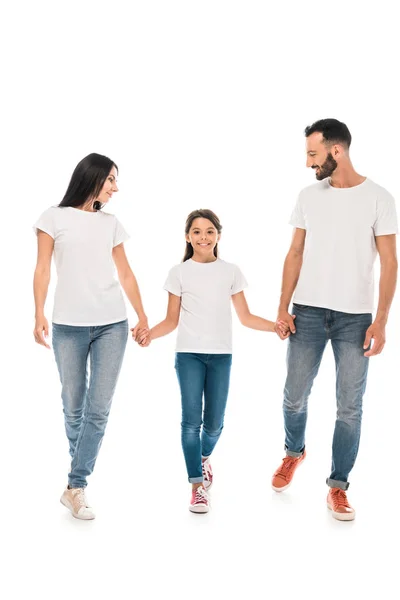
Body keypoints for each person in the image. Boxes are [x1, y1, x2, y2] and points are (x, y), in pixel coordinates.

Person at [273, 119, 398, 521]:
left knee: (350, 408)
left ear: (336, 151)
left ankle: (338, 487)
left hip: (354, 319)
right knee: (294, 395)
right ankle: (294, 451)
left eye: (313, 154)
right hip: (307, 313)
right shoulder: (309, 195)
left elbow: (390, 261)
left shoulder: (379, 197)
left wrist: (380, 320)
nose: (309, 162)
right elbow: (295, 253)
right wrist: (282, 307)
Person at [134, 209, 285, 513]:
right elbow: (171, 321)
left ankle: (202, 458)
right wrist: (149, 334)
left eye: (209, 231)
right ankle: (196, 487)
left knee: (214, 424)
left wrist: (275, 326)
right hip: (188, 355)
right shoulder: (179, 272)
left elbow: (245, 317)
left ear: (218, 235)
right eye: (197, 232)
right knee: (191, 422)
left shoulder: (231, 271)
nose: (203, 237)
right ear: (187, 237)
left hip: (221, 357)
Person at [33, 153, 148, 520]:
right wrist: (38, 312)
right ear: (93, 177)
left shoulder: (111, 223)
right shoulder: (53, 218)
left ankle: (76, 484)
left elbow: (126, 273)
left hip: (112, 323)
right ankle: (77, 480)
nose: (116, 187)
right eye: (111, 179)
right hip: (68, 325)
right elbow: (42, 269)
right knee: (74, 405)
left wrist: (142, 314)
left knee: (98, 410)